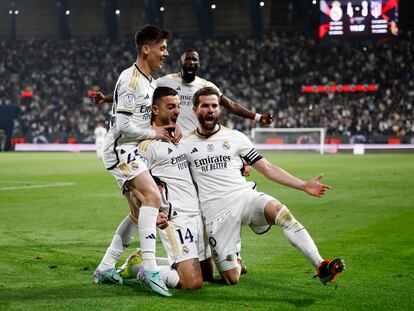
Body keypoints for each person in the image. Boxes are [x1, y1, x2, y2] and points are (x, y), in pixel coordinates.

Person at [182, 87, 345, 285]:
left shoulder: (236, 137)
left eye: (214, 106)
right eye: (205, 106)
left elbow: (267, 168)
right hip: (216, 213)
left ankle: (321, 265)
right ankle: (234, 260)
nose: (210, 110)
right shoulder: (184, 144)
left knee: (281, 212)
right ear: (194, 110)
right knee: (231, 278)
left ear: (220, 110)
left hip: (244, 197)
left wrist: (303, 185)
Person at [93, 24, 174, 297]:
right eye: (162, 48)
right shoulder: (131, 80)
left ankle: (105, 267)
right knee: (153, 197)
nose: (166, 53)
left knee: (140, 213)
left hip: (131, 150)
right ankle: (150, 269)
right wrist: (156, 132)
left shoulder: (149, 81)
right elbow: (125, 125)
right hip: (120, 150)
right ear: (146, 48)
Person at [119, 86, 214, 289]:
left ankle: (142, 261)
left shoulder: (178, 136)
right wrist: (145, 210)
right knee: (192, 283)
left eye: (178, 106)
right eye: (171, 106)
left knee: (207, 274)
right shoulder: (146, 145)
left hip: (197, 213)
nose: (177, 111)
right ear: (155, 109)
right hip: (175, 218)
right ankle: (140, 270)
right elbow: (130, 183)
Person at [93, 49, 273, 135]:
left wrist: (258, 118)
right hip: (173, 138)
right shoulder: (165, 82)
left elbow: (231, 105)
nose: (191, 63)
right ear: (181, 63)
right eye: (187, 60)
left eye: (194, 60)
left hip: (197, 139)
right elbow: (137, 92)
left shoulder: (206, 86)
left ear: (199, 64)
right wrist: (106, 99)